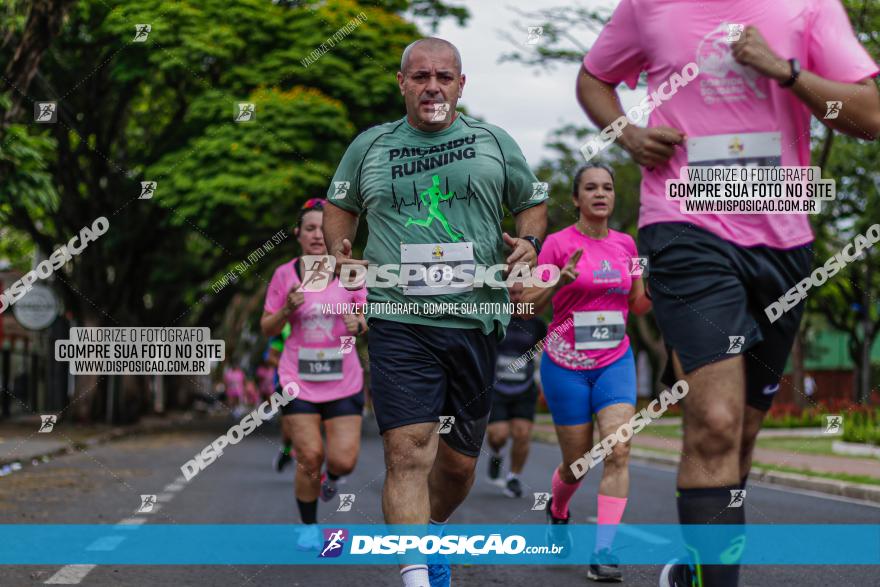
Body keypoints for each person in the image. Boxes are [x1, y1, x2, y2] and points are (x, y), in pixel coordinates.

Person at [576, 2, 880, 585]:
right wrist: (627, 133)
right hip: (684, 227)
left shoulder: (810, 6)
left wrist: (785, 69)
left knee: (740, 434)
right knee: (714, 420)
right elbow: (594, 76)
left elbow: (866, 114)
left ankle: (699, 569)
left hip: (782, 241)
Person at [322, 37, 548, 587]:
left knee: (457, 465)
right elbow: (339, 206)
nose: (432, 86)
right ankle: (417, 574)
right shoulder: (369, 146)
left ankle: (427, 533)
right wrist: (338, 250)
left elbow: (533, 200)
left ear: (461, 84)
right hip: (400, 318)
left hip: (475, 319)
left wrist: (529, 244)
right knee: (407, 449)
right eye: (420, 76)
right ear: (401, 83)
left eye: (444, 77)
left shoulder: (494, 141)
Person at [522, 163, 650, 583]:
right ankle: (558, 510)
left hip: (615, 361)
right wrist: (558, 279)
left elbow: (639, 304)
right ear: (576, 198)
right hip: (565, 367)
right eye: (590, 188)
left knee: (618, 450)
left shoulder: (626, 245)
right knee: (576, 465)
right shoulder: (557, 244)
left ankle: (604, 551)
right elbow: (527, 305)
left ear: (614, 197)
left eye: (608, 188)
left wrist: (665, 285)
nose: (601, 194)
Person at [260, 198, 369, 551]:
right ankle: (308, 527)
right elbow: (266, 327)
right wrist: (286, 311)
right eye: (310, 228)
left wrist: (358, 324)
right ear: (298, 234)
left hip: (344, 381)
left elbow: (366, 319)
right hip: (298, 381)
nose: (317, 235)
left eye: (324, 229)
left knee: (343, 460)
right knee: (309, 455)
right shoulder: (283, 276)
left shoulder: (350, 272)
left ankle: (332, 479)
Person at [486, 284, 546, 499]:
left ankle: (514, 477)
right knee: (498, 435)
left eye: (521, 293)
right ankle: (496, 453)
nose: (517, 298)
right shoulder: (493, 318)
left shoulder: (536, 324)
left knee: (522, 433)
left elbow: (544, 352)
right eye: (512, 293)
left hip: (525, 386)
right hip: (497, 388)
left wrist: (543, 382)